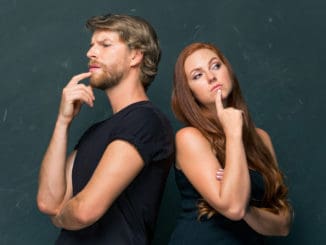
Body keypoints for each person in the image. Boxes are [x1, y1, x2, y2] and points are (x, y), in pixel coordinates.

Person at [36, 14, 174, 245]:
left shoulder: (145, 120)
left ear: (135, 56)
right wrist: (63, 122)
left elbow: (84, 211)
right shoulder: (95, 132)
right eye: (91, 45)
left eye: (105, 44)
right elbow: (48, 202)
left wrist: (59, 219)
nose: (90, 53)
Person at [169, 42, 293, 244]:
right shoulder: (189, 138)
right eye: (197, 75)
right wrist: (233, 133)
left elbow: (283, 224)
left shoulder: (261, 139)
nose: (211, 77)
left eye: (215, 66)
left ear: (228, 71)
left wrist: (247, 210)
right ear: (189, 92)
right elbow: (234, 208)